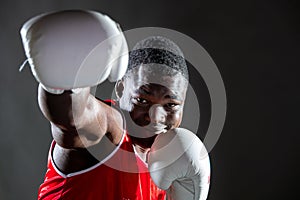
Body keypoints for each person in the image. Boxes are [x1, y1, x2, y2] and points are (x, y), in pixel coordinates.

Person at [20, 10, 210, 200]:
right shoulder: (111, 132)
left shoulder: (169, 166)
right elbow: (73, 120)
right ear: (120, 89)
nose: (155, 117)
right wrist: (67, 79)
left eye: (171, 105)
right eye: (142, 100)